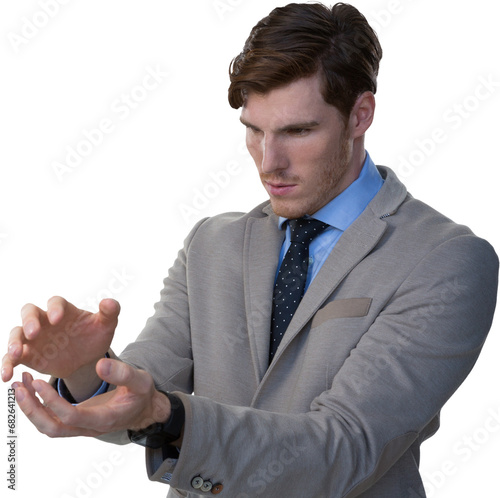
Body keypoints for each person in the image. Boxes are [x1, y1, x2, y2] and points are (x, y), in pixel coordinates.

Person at [2, 2, 498, 497]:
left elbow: (345, 450)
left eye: (298, 131)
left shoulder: (446, 260)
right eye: (253, 130)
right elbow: (133, 404)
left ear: (359, 115)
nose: (269, 161)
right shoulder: (210, 244)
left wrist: (168, 415)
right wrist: (85, 369)